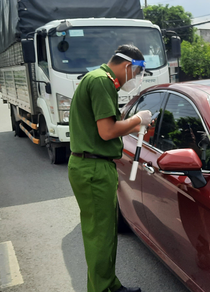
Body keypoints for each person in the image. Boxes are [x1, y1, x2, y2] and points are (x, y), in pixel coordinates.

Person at [68, 44, 152, 292]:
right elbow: (107, 132)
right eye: (135, 74)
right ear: (128, 67)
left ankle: (108, 285)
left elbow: (105, 126)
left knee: (103, 233)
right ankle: (103, 290)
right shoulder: (102, 81)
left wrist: (136, 127)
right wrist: (137, 119)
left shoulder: (95, 79)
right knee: (100, 236)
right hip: (93, 168)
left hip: (90, 165)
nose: (134, 79)